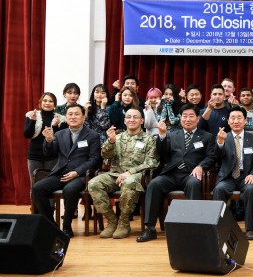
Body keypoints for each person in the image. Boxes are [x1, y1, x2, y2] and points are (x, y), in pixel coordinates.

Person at [138, 104, 216, 242]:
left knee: (194, 184)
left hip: (190, 174)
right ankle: (150, 228)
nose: (187, 119)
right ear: (180, 119)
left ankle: (193, 227)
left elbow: (211, 156)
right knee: (154, 184)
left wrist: (200, 166)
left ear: (198, 118)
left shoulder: (207, 136)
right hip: (171, 174)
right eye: (184, 116)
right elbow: (162, 153)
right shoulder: (172, 135)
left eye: (191, 116)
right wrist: (162, 136)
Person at [31, 104, 102, 237]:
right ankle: (50, 224)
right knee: (37, 188)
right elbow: (49, 153)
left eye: (76, 114)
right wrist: (48, 140)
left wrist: (77, 172)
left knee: (70, 190)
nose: (73, 117)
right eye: (70, 114)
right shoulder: (59, 133)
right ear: (66, 116)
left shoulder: (92, 135)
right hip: (61, 173)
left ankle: (67, 226)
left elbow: (94, 160)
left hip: (81, 175)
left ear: (83, 116)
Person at [88, 109, 159, 239]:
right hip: (115, 174)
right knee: (93, 183)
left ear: (142, 121)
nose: (132, 119)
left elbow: (153, 162)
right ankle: (112, 221)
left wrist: (130, 172)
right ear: (125, 120)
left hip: (137, 175)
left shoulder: (148, 139)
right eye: (128, 117)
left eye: (135, 117)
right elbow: (104, 155)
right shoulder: (117, 137)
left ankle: (124, 223)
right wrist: (111, 142)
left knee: (129, 182)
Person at [212, 106, 253, 240]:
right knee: (219, 189)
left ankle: (250, 229)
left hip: (246, 176)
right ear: (228, 121)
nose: (236, 121)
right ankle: (219, 228)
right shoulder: (223, 137)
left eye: (239, 118)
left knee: (251, 189)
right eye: (233, 118)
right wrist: (220, 142)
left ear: (245, 120)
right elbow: (217, 156)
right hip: (228, 177)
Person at [24, 92, 65, 177]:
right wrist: (33, 120)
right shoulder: (32, 115)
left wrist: (55, 126)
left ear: (55, 104)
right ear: (40, 102)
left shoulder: (61, 119)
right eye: (45, 100)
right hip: (34, 156)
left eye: (50, 101)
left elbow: (61, 139)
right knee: (35, 185)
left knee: (50, 184)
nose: (47, 103)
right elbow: (27, 135)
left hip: (52, 156)